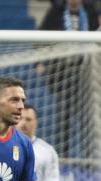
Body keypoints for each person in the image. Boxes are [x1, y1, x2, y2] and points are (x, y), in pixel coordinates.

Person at [39, 0, 99, 157]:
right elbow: (41, 34)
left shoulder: (91, 11)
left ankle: (89, 158)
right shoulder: (56, 12)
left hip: (86, 69)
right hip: (62, 71)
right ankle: (62, 158)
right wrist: (39, 61)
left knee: (88, 117)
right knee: (63, 116)